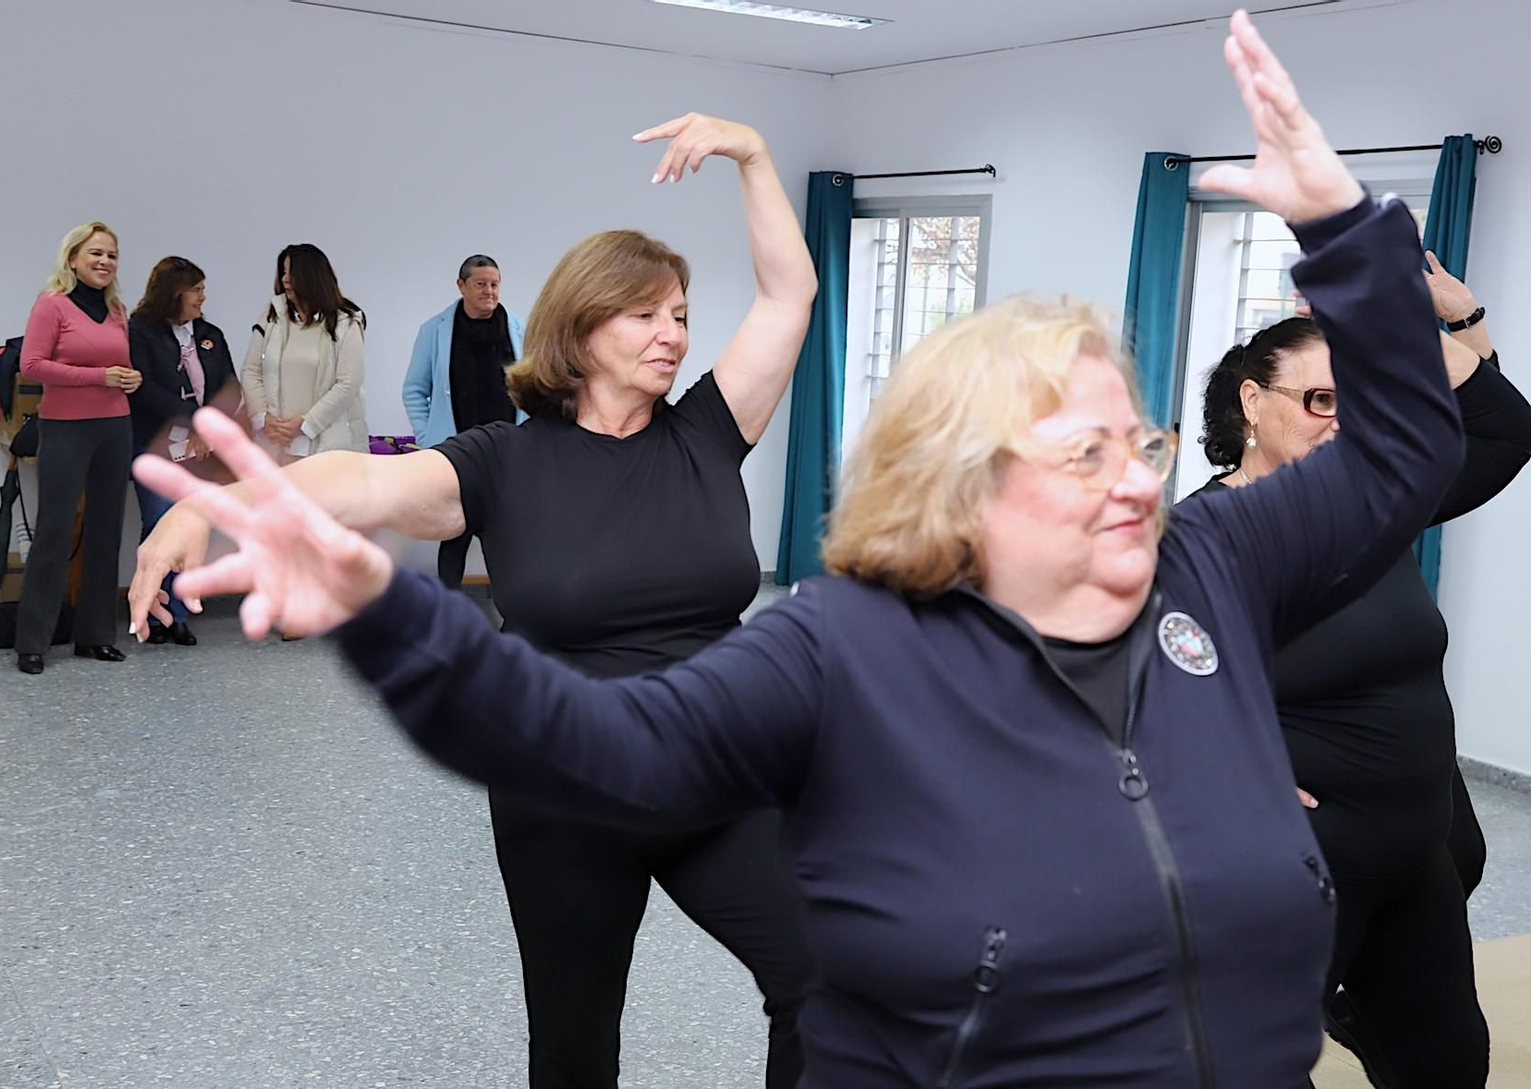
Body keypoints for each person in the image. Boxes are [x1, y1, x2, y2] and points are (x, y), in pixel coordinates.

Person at [134, 16, 1468, 1085]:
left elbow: (1410, 450)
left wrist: (1350, 230)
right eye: (1084, 452)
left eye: (1143, 445)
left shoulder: (1201, 564)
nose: (1133, 485)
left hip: (737, 786)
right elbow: (552, 707)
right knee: (575, 1042)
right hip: (607, 774)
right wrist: (301, 562)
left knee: (808, 974)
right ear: (967, 479)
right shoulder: (796, 617)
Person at [133, 114, 818, 1088]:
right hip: (563, 781)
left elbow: (789, 295)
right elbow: (354, 485)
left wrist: (752, 152)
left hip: (719, 767)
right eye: (646, 315)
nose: (673, 334)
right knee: (575, 1049)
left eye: (680, 315)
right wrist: (211, 507)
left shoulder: (707, 430)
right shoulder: (504, 459)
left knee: (824, 978)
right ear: (581, 327)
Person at [1188, 258, 1529, 1088]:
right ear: (1251, 404)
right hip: (1299, 866)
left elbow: (1502, 433)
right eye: (1320, 399)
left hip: (1416, 853)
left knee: (1448, 1065)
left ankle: (1355, 1004)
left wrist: (1438, 318)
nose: (1343, 421)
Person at [13, 221, 141, 676]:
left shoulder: (118, 309)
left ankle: (96, 636)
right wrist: (97, 377)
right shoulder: (52, 305)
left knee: (107, 531)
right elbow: (32, 365)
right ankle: (33, 642)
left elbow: (119, 367)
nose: (105, 262)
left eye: (112, 255)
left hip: (114, 427)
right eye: (96, 254)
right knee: (54, 530)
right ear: (72, 259)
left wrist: (130, 378)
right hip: (66, 429)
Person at [128, 257, 238, 646]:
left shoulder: (210, 334)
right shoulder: (140, 331)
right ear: (173, 292)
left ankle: (178, 612)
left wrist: (207, 428)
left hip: (201, 449)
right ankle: (153, 614)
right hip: (156, 444)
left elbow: (230, 387)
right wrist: (193, 420)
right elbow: (142, 389)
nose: (203, 297)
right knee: (159, 522)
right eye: (196, 290)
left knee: (191, 526)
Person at [402, 255, 527, 587]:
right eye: (481, 284)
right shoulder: (435, 331)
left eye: (495, 284)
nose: (489, 291)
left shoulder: (519, 328)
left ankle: (511, 612)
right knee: (454, 531)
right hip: (456, 450)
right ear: (461, 286)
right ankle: (447, 611)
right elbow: (414, 389)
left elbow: (534, 386)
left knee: (503, 536)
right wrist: (428, 438)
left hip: (506, 450)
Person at [240, 244, 367, 464]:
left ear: (311, 276)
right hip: (275, 445)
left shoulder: (346, 322)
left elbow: (348, 383)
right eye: (283, 272)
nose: (285, 280)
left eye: (291, 272)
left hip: (328, 446)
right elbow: (251, 370)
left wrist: (307, 424)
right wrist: (263, 418)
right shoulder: (271, 319)